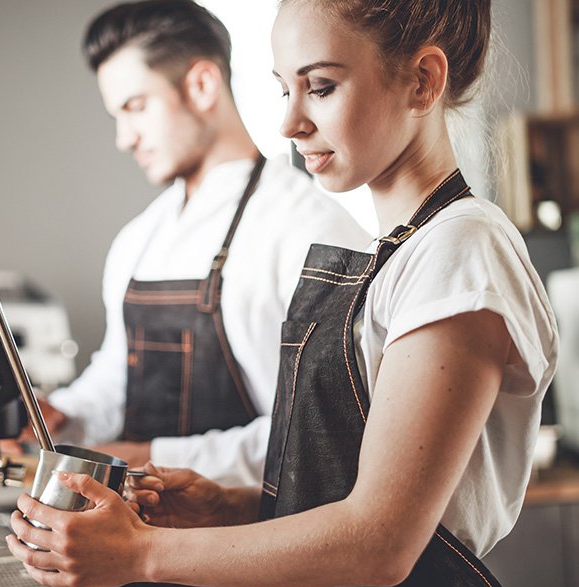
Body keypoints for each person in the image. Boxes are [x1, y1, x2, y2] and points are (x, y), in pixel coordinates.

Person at [8, 0, 559, 587]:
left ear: (423, 81)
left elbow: (381, 543)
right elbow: (353, 486)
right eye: (283, 89)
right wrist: (235, 505)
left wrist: (141, 552)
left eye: (320, 87)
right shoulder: (400, 252)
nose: (291, 122)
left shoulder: (462, 247)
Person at [35, 0, 369, 487]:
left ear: (201, 85)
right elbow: (118, 374)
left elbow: (318, 438)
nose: (124, 138)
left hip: (254, 546)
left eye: (135, 107)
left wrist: (146, 456)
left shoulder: (309, 231)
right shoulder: (139, 238)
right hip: (140, 545)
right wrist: (62, 417)